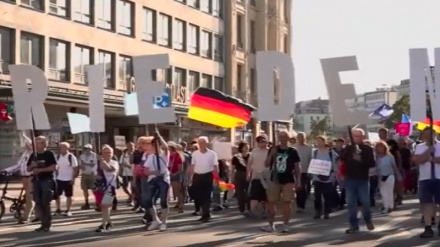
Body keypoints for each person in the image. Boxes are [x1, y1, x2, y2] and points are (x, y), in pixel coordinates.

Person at [262, 131, 301, 233]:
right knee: (271, 202)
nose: (282, 138)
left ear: (288, 138)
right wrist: (271, 154)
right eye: (280, 137)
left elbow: (297, 167)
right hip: (274, 178)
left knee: (287, 202)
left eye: (284, 137)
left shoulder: (293, 151)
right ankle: (271, 224)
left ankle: (285, 224)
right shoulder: (273, 149)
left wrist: (298, 180)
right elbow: (266, 164)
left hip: (288, 179)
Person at [340, 128, 375, 234]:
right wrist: (346, 147)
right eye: (354, 136)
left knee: (365, 202)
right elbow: (342, 158)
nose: (356, 138)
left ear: (363, 137)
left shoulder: (367, 149)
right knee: (351, 203)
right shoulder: (349, 148)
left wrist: (360, 159)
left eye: (358, 136)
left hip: (362, 179)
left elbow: (372, 163)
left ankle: (368, 220)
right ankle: (353, 225)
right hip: (350, 179)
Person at [1, 131, 35, 224]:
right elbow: (18, 166)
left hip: (31, 177)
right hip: (24, 178)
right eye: (26, 145)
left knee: (29, 198)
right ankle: (33, 211)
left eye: (28, 144)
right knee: (27, 197)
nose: (26, 146)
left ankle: (25, 218)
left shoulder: (34, 154)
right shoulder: (25, 154)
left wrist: (24, 135)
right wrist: (6, 170)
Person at [26, 136, 57, 232]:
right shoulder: (33, 155)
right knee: (37, 201)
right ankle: (43, 223)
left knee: (45, 201)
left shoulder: (49, 154)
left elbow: (54, 167)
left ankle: (48, 223)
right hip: (36, 180)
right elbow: (28, 169)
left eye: (38, 143)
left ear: (44, 144)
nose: (36, 145)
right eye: (35, 143)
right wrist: (32, 165)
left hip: (46, 179)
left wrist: (40, 170)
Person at [414, 127, 440, 238]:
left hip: (439, 177)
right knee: (427, 204)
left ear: (435, 134)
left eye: (431, 133)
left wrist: (428, 158)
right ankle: (428, 227)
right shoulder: (419, 147)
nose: (429, 136)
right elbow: (417, 160)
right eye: (426, 134)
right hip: (425, 178)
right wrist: (429, 152)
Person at [143, 133, 170, 231]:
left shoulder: (164, 155)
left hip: (163, 179)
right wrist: (154, 172)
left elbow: (166, 147)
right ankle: (155, 220)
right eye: (153, 144)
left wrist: (159, 136)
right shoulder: (150, 157)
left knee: (163, 201)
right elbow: (145, 171)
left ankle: (164, 222)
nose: (155, 146)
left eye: (157, 144)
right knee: (148, 200)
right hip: (153, 180)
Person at [188, 136, 218, 223]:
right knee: (198, 196)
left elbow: (215, 166)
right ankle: (204, 212)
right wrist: (190, 177)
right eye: (200, 143)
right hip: (197, 176)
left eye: (203, 143)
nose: (201, 144)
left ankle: (206, 213)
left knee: (207, 195)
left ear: (206, 143)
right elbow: (192, 165)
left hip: (208, 176)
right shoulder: (195, 154)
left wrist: (216, 178)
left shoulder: (212, 154)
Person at [312, 136, 339, 219]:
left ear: (324, 142)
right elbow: (313, 163)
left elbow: (336, 163)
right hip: (317, 177)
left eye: (320, 141)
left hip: (328, 177)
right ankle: (318, 212)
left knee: (327, 196)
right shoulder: (315, 152)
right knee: (317, 196)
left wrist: (334, 174)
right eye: (317, 141)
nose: (318, 143)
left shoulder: (331, 153)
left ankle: (327, 212)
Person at [95, 145, 119, 232]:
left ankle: (103, 224)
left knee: (106, 206)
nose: (108, 154)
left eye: (109, 152)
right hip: (100, 188)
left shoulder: (114, 162)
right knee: (103, 206)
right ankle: (109, 222)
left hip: (110, 187)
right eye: (105, 153)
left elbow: (109, 169)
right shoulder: (99, 163)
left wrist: (102, 160)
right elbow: (95, 173)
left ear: (112, 154)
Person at [246, 135, 269, 218]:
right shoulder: (254, 151)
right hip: (256, 177)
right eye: (261, 142)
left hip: (267, 177)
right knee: (254, 195)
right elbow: (249, 163)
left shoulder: (270, 151)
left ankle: (266, 212)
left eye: (264, 141)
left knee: (266, 196)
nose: (263, 143)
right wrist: (248, 174)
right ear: (258, 143)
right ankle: (252, 211)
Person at [375, 141, 400, 214]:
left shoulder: (390, 156)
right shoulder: (376, 157)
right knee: (383, 192)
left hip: (390, 175)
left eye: (381, 147)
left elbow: (394, 166)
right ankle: (386, 206)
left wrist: (398, 175)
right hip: (380, 176)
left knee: (389, 191)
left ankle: (390, 206)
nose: (380, 149)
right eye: (378, 147)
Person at [54, 142, 79, 217]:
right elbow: (55, 167)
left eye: (64, 147)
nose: (62, 149)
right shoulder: (57, 156)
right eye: (61, 147)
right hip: (59, 178)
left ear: (68, 148)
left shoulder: (71, 157)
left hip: (68, 179)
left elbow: (75, 168)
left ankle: (68, 210)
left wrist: (73, 178)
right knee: (57, 195)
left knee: (69, 195)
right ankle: (58, 209)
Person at [294, 132, 313, 213]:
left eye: (302, 137)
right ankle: (299, 205)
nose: (300, 138)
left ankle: (302, 205)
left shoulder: (309, 148)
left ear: (305, 138)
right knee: (298, 188)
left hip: (305, 170)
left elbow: (311, 159)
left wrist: (311, 170)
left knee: (303, 188)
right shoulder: (294, 148)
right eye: (299, 137)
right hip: (296, 171)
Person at [231, 141, 250, 214]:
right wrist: (232, 177)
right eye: (245, 146)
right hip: (239, 174)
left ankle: (249, 207)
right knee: (240, 193)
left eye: (248, 146)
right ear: (241, 148)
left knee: (249, 192)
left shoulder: (251, 156)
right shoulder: (236, 157)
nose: (247, 148)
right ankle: (241, 208)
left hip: (248, 174)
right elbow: (233, 168)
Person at [79, 144, 97, 210]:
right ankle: (87, 203)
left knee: (94, 189)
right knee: (84, 189)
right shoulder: (82, 156)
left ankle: (97, 202)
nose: (87, 150)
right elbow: (81, 165)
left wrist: (85, 164)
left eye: (88, 148)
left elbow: (93, 164)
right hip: (84, 174)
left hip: (92, 174)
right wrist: (83, 165)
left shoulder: (94, 155)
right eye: (85, 148)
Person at [168, 141, 184, 213]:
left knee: (178, 191)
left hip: (175, 175)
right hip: (168, 174)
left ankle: (181, 206)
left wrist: (175, 173)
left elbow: (180, 167)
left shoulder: (177, 155)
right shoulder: (167, 154)